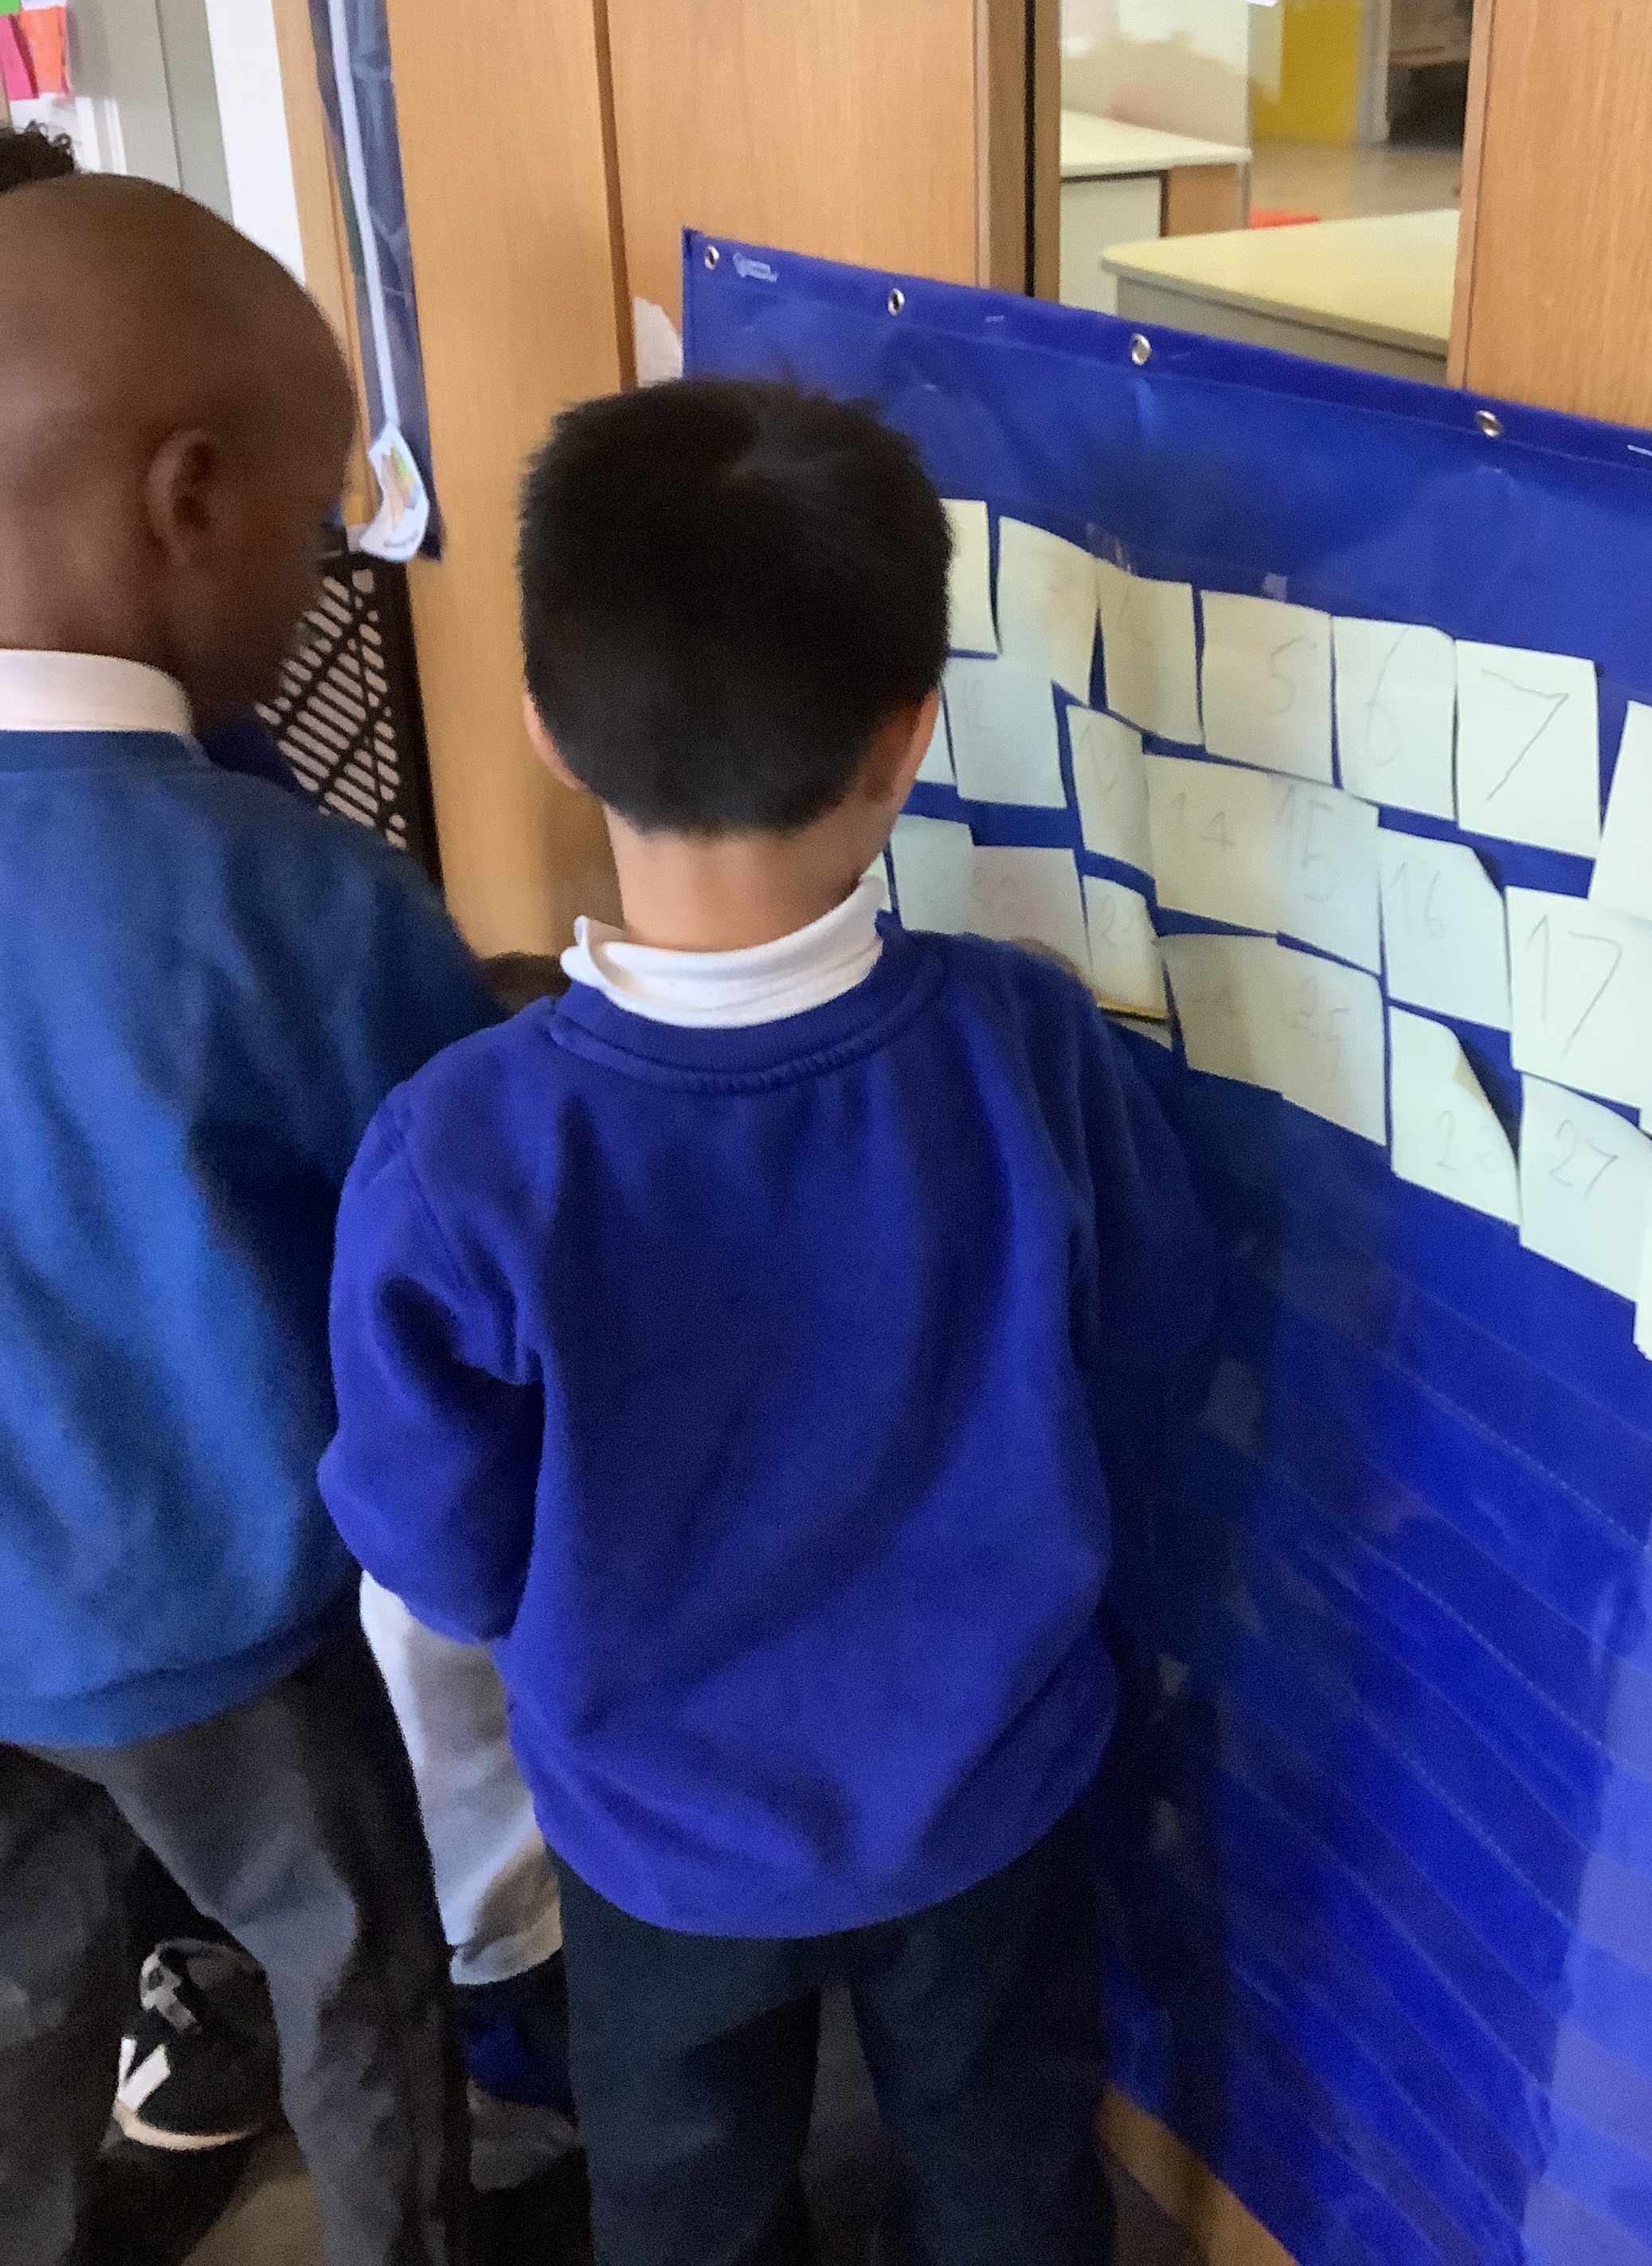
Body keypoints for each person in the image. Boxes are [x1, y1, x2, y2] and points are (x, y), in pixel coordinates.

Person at [322, 378, 1219, 2266]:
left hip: (659, 1835)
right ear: (910, 736)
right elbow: (1156, 1315)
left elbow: (433, 1548)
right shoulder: (1027, 1040)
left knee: (687, 2201)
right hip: (990, 1791)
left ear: (548, 723)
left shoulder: (461, 1149)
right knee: (1009, 2176)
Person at [0, 121, 584, 2257]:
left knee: (22, 2005)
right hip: (229, 1626)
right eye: (323, 523)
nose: (327, 574)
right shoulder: (306, 901)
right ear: (185, 499)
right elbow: (472, 1221)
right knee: (357, 1969)